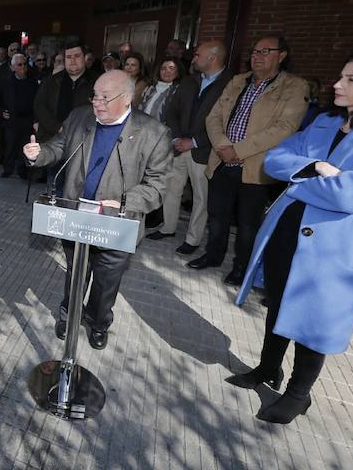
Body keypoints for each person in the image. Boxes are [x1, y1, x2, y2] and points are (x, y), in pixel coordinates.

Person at [227, 50, 353, 424]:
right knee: (278, 302)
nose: (338, 84)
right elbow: (274, 160)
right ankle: (268, 368)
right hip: (289, 232)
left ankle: (298, 395)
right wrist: (316, 167)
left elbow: (351, 195)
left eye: (351, 79)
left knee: (313, 319)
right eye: (341, 76)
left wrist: (298, 179)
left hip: (334, 246)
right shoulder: (324, 122)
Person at [23, 70, 171, 349]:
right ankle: (70, 314)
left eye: (105, 97)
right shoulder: (79, 117)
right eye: (95, 96)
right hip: (75, 216)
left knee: (106, 282)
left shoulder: (153, 133)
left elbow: (158, 186)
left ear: (127, 98)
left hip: (118, 222)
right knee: (76, 271)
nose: (97, 103)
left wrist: (125, 201)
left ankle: (98, 322)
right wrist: (38, 153)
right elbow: (57, 147)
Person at [191, 34, 310, 286]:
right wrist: (223, 145)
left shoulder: (294, 87)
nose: (257, 56)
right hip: (222, 161)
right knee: (217, 216)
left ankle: (242, 267)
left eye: (265, 52)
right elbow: (214, 116)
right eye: (255, 52)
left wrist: (239, 150)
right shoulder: (238, 81)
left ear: (282, 56)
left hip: (253, 167)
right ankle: (213, 255)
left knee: (247, 224)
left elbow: (284, 128)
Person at [149, 42, 232, 254]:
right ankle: (168, 228)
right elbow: (171, 112)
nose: (193, 59)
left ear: (212, 58)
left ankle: (193, 239)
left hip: (203, 151)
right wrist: (177, 137)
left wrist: (194, 141)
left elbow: (226, 123)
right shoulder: (189, 81)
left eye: (197, 54)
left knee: (200, 197)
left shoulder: (230, 84)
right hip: (178, 146)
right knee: (171, 190)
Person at [34, 43, 96, 189]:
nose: (72, 60)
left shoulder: (96, 81)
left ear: (84, 58)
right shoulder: (51, 81)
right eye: (68, 57)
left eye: (77, 56)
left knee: (78, 186)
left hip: (83, 143)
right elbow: (39, 106)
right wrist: (58, 128)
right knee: (54, 184)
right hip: (55, 139)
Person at [0, 53, 38, 178]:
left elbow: (37, 102)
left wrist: (35, 119)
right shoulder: (6, 82)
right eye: (19, 64)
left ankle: (22, 170)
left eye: (24, 64)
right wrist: (1, 111)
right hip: (12, 119)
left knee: (24, 146)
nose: (23, 67)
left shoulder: (32, 82)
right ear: (13, 67)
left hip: (27, 119)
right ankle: (8, 169)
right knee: (10, 146)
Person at [138, 57, 182, 122]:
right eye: (163, 68)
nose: (167, 71)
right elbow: (140, 108)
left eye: (171, 68)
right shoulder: (150, 88)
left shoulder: (179, 90)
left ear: (178, 71)